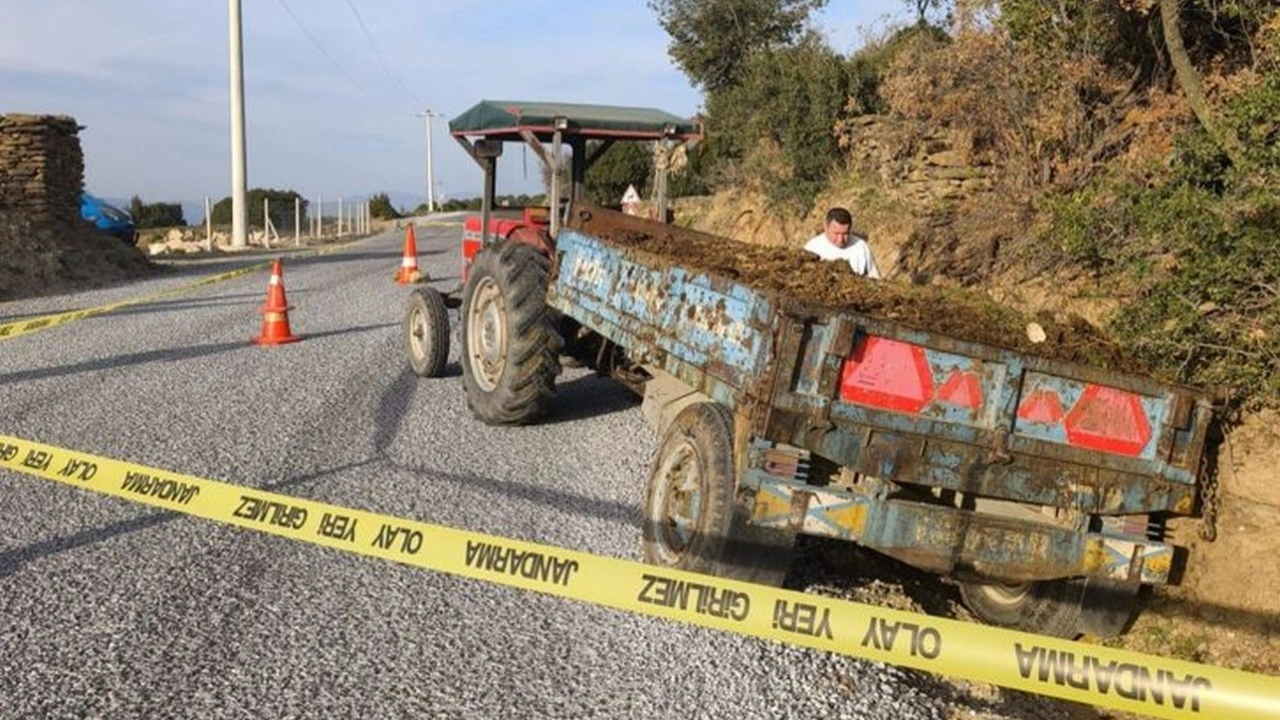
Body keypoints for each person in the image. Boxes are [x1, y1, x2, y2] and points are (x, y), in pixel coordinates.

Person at [803, 207, 881, 279]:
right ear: (826, 228)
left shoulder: (861, 247)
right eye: (836, 234)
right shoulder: (812, 248)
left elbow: (875, 278)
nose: (840, 239)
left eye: (845, 234)